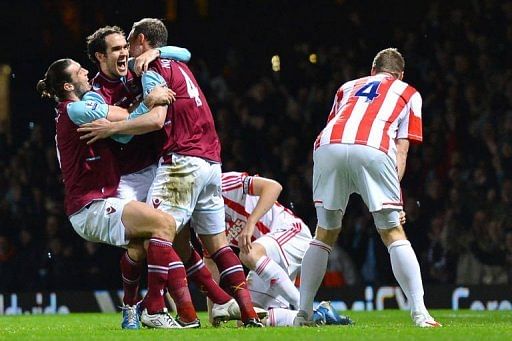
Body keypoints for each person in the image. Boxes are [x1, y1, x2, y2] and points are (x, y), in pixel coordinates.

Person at [79, 18, 262, 327]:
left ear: (137, 42)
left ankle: (193, 310)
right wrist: (143, 106)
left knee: (173, 240)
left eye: (126, 46)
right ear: (100, 56)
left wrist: (158, 56)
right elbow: (123, 132)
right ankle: (136, 308)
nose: (124, 53)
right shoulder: (96, 93)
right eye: (116, 49)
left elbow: (182, 56)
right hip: (127, 175)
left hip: (166, 163)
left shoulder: (145, 67)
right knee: (147, 242)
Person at [36, 58, 200, 329]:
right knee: (165, 224)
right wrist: (150, 99)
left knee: (141, 246)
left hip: (95, 202)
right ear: (68, 85)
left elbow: (121, 132)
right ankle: (155, 309)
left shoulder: (74, 109)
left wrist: (156, 52)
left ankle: (130, 311)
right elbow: (125, 119)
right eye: (79, 71)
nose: (86, 72)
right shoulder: (76, 109)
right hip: (90, 206)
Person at [295, 48, 441, 328]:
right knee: (392, 231)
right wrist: (394, 199)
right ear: (399, 74)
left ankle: (303, 313)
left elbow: (339, 125)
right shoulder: (408, 92)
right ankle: (421, 313)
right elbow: (401, 149)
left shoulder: (347, 86)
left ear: (373, 71)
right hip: (373, 148)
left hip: (328, 146)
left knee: (324, 233)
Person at [205, 171, 352, 327]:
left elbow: (273, 187)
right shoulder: (205, 220)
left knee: (248, 253)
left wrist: (250, 223)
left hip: (291, 232)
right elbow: (211, 265)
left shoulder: (223, 184)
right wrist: (213, 312)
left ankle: (307, 310)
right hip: (266, 259)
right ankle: (321, 315)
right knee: (247, 319)